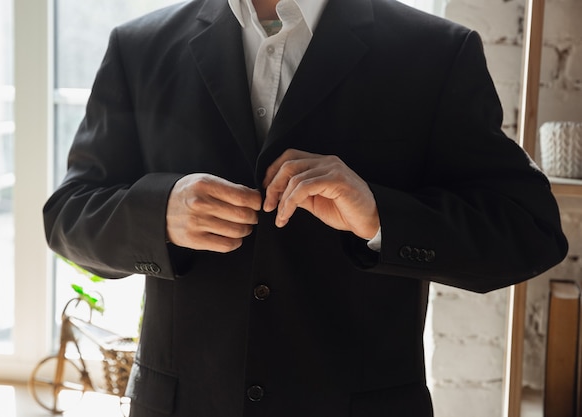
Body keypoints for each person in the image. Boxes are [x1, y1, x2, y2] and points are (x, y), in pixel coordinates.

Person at [43, 0, 569, 415]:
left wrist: (380, 217)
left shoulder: (435, 52)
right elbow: (69, 215)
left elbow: (530, 230)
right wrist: (157, 215)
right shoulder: (140, 47)